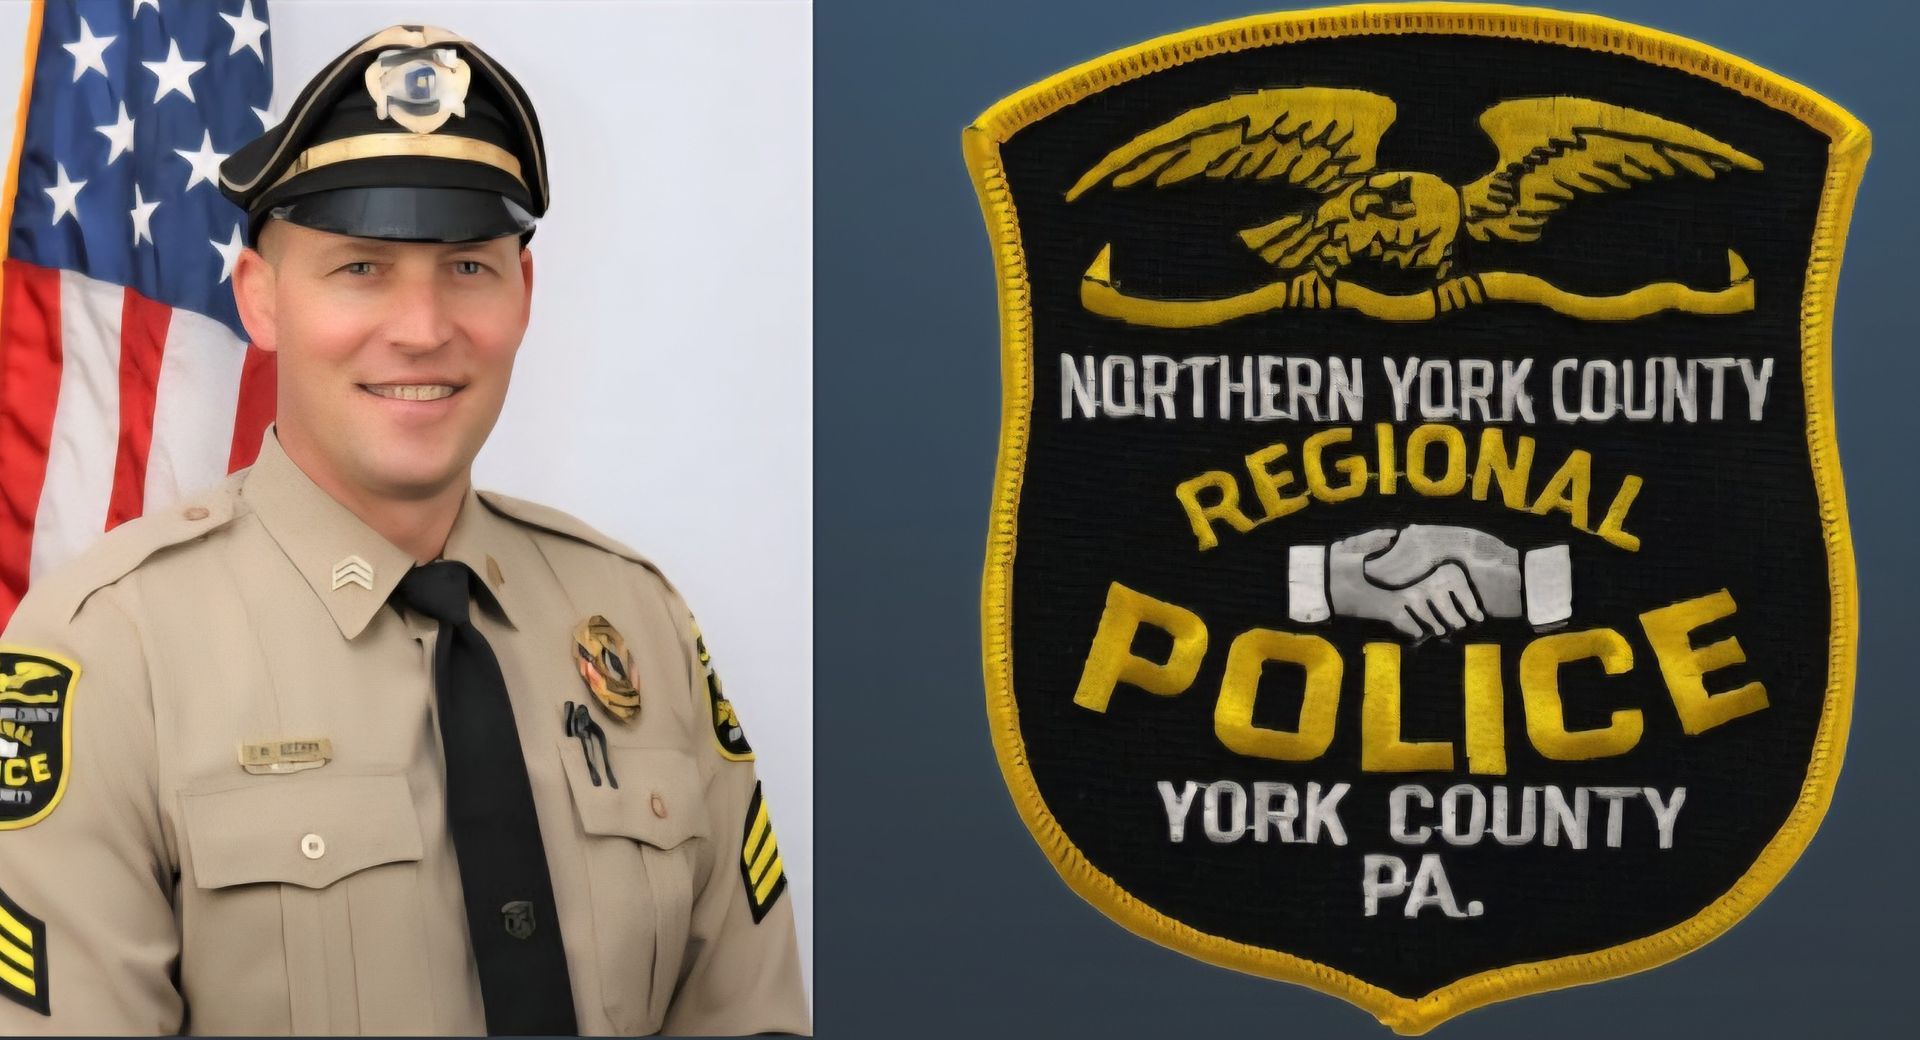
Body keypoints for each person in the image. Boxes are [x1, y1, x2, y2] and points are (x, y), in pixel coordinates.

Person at [0, 25, 807, 1036]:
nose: (424, 329)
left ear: (524, 295)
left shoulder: (638, 619)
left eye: (468, 265)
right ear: (260, 300)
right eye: (362, 267)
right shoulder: (108, 653)